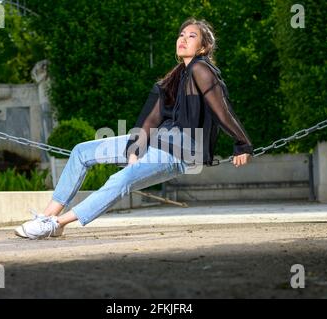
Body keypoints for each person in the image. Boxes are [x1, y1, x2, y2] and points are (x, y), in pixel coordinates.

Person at [15, 18, 254, 239]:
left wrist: (242, 143)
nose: (183, 39)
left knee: (122, 179)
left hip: (180, 151)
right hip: (158, 140)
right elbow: (150, 119)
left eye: (191, 36)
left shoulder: (201, 69)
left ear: (203, 48)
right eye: (181, 34)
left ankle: (57, 224)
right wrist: (134, 148)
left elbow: (221, 110)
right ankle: (47, 216)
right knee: (81, 152)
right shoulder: (175, 77)